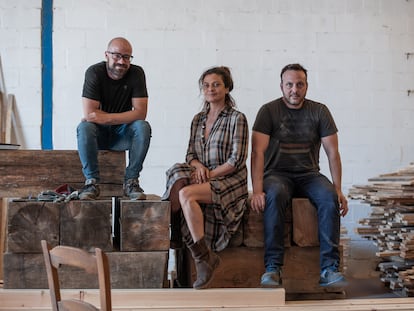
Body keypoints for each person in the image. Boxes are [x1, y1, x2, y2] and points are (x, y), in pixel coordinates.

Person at [250, 63, 349, 288]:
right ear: (281, 86)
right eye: (290, 85)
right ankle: (273, 268)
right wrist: (257, 190)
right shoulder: (269, 111)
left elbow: (332, 152)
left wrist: (338, 188)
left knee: (329, 197)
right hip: (276, 174)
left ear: (306, 86)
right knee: (274, 195)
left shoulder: (319, 111)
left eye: (300, 84)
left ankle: (329, 269)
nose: (295, 89)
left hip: (309, 174)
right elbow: (257, 152)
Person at [162, 66, 249, 289]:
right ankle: (202, 255)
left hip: (229, 180)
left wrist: (209, 174)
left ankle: (202, 258)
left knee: (185, 193)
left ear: (227, 87)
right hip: (204, 176)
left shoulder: (236, 118)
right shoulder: (198, 119)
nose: (210, 89)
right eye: (206, 85)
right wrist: (198, 166)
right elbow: (190, 154)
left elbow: (236, 160)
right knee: (177, 173)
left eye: (216, 84)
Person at [77, 37, 151, 200]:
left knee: (142, 126)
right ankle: (91, 182)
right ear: (106, 55)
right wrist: (122, 117)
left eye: (126, 57)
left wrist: (104, 117)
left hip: (122, 134)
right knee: (85, 128)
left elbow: (140, 113)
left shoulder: (136, 73)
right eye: (116, 55)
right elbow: (90, 115)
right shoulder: (94, 72)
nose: (121, 61)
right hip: (99, 135)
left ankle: (131, 181)